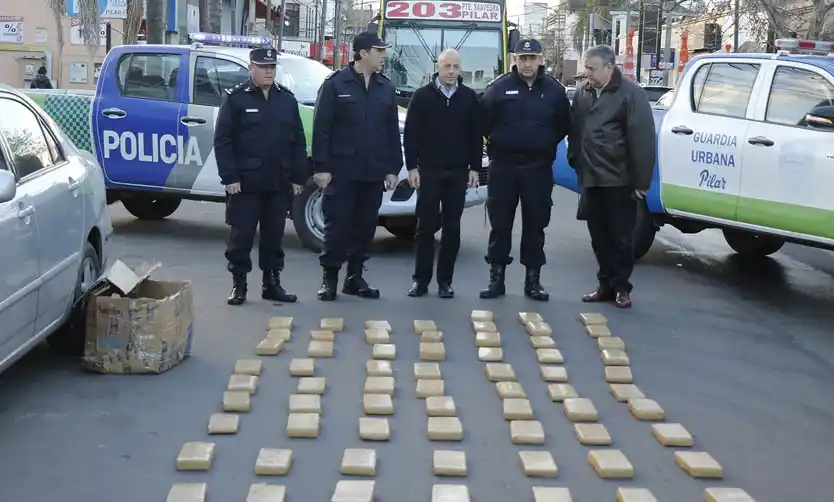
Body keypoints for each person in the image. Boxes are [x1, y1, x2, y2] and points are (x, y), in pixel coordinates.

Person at [311, 31, 402, 301]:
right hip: (341, 171)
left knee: (365, 227)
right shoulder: (335, 84)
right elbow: (322, 129)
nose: (384, 55)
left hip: (372, 171)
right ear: (363, 53)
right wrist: (321, 167)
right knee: (337, 226)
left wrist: (392, 168)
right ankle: (329, 279)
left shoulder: (385, 87)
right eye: (379, 50)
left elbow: (390, 131)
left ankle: (355, 277)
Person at [478, 38, 571, 301]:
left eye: (532, 58)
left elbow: (563, 125)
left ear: (541, 60)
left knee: (535, 224)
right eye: (522, 58)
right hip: (504, 167)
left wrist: (539, 143)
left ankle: (533, 281)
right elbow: (484, 122)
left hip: (538, 167)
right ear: (514, 60)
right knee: (500, 223)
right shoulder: (498, 88)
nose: (527, 63)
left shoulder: (554, 91)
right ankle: (496, 278)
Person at [214, 47, 308, 306]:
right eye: (263, 67)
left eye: (272, 67)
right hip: (245, 183)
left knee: (274, 236)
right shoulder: (236, 99)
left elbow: (298, 141)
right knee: (241, 235)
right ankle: (239, 284)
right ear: (250, 68)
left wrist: (299, 177)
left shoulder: (286, 100)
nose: (269, 71)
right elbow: (223, 141)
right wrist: (230, 177)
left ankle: (271, 283)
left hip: (277, 182)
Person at [568, 45, 656, 308]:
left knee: (620, 238)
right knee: (598, 236)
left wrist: (641, 182)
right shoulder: (583, 94)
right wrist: (577, 162)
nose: (588, 74)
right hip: (591, 178)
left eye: (592, 69)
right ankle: (604, 283)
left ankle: (621, 287)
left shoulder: (631, 94)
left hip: (619, 179)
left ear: (610, 67)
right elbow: (576, 131)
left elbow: (642, 141)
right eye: (586, 69)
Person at [403, 48, 481, 299]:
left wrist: (475, 167)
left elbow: (475, 136)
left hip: (458, 173)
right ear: (438, 67)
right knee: (424, 227)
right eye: (447, 66)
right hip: (428, 171)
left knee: (452, 228)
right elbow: (411, 135)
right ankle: (420, 281)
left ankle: (445, 282)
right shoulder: (422, 96)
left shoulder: (469, 97)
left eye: (456, 67)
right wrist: (412, 167)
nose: (451, 72)